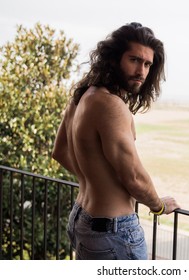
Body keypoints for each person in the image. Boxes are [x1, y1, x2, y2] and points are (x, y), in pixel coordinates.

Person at [52, 22, 180, 260]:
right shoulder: (111, 105)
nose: (141, 71)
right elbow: (134, 177)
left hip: (83, 219)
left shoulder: (81, 97)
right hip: (112, 232)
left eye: (147, 64)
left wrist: (95, 178)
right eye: (134, 60)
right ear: (113, 58)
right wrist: (158, 206)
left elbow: (59, 151)